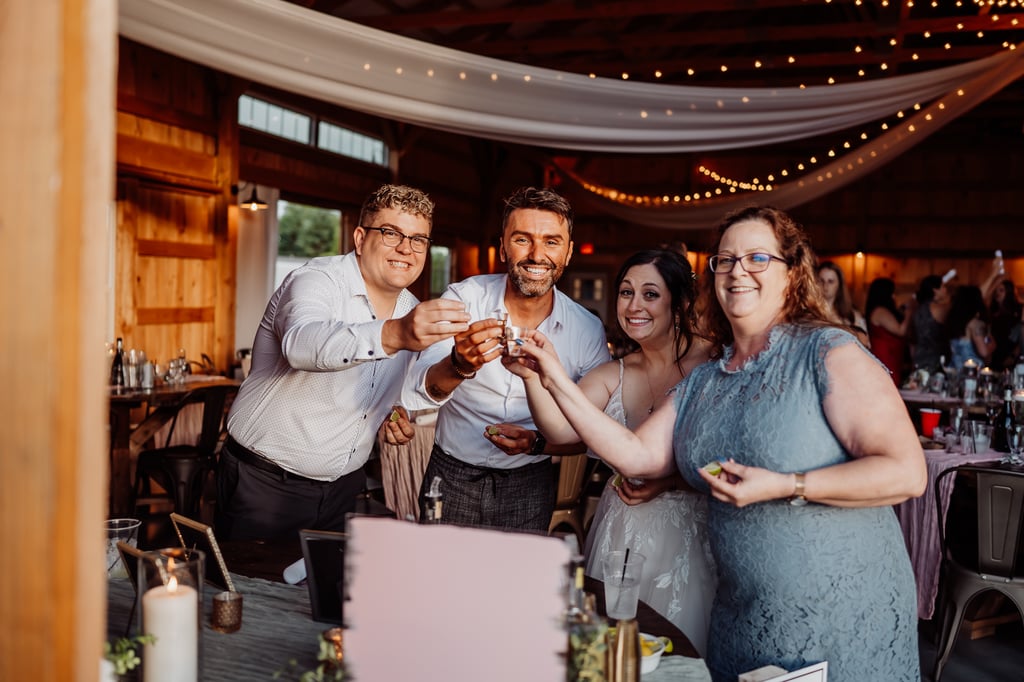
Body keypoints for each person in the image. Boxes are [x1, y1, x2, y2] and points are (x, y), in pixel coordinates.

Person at [506, 205, 926, 681]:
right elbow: (635, 454)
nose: (737, 271)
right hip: (738, 615)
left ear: (792, 273)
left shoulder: (828, 351)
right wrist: (553, 375)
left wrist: (786, 484)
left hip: (836, 611)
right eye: (724, 260)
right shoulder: (707, 378)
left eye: (757, 258)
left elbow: (906, 472)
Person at [217, 184, 471, 541]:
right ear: (359, 237)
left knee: (326, 594)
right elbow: (301, 345)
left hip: (344, 488)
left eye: (418, 239)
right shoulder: (316, 280)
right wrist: (395, 334)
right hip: (265, 482)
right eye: (391, 233)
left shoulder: (411, 310)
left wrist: (401, 407)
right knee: (253, 593)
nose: (406, 249)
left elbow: (414, 388)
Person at [522, 248, 716, 654]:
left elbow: (735, 457)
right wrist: (533, 375)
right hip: (619, 534)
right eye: (626, 293)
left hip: (689, 537)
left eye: (650, 294)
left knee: (682, 651)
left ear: (679, 303)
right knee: (613, 652)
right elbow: (557, 426)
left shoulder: (713, 364)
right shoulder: (616, 372)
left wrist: (671, 481)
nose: (634, 306)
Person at [405, 186, 610, 531]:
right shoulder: (463, 299)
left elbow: (595, 430)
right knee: (438, 577)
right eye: (522, 239)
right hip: (451, 471)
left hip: (530, 478)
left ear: (569, 252)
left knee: (516, 582)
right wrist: (459, 364)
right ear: (502, 246)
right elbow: (423, 387)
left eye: (551, 241)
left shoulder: (587, 330)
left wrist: (539, 443)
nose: (536, 254)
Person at [865, 277, 913, 385]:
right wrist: (909, 312)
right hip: (885, 360)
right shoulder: (880, 311)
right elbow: (900, 330)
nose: (894, 296)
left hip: (892, 359)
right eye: (892, 293)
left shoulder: (884, 311)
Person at [816, 261, 869, 347]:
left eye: (830, 281)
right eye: (821, 280)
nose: (825, 285)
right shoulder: (809, 313)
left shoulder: (852, 315)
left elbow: (865, 345)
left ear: (839, 284)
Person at [945, 284, 995, 369]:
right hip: (971, 373)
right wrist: (992, 342)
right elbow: (984, 352)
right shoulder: (975, 324)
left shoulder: (952, 322)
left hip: (954, 370)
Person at [909, 274, 951, 372]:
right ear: (935, 290)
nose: (946, 290)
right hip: (935, 362)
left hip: (919, 358)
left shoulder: (918, 309)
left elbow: (912, 338)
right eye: (943, 286)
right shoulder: (938, 309)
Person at [989, 279, 1022, 369]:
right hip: (995, 356)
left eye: (1001, 290)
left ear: (1008, 292)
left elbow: (1021, 336)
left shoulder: (1018, 311)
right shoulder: (992, 312)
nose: (997, 293)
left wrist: (1012, 356)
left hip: (1011, 356)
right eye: (996, 290)